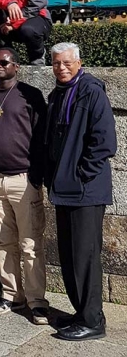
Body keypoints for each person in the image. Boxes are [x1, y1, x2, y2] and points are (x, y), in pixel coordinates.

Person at [45, 42, 117, 342]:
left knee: (85, 256)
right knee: (69, 255)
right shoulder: (58, 93)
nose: (61, 68)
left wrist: (79, 175)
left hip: (85, 190)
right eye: (57, 63)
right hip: (65, 188)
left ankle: (93, 321)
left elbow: (104, 142)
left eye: (67, 63)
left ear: (79, 62)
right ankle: (82, 312)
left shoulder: (91, 91)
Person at [0, 47, 49, 324]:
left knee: (30, 244)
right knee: (2, 241)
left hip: (23, 178)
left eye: (2, 62)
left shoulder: (29, 95)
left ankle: (37, 301)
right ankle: (11, 294)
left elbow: (41, 137)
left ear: (16, 66)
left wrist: (36, 176)